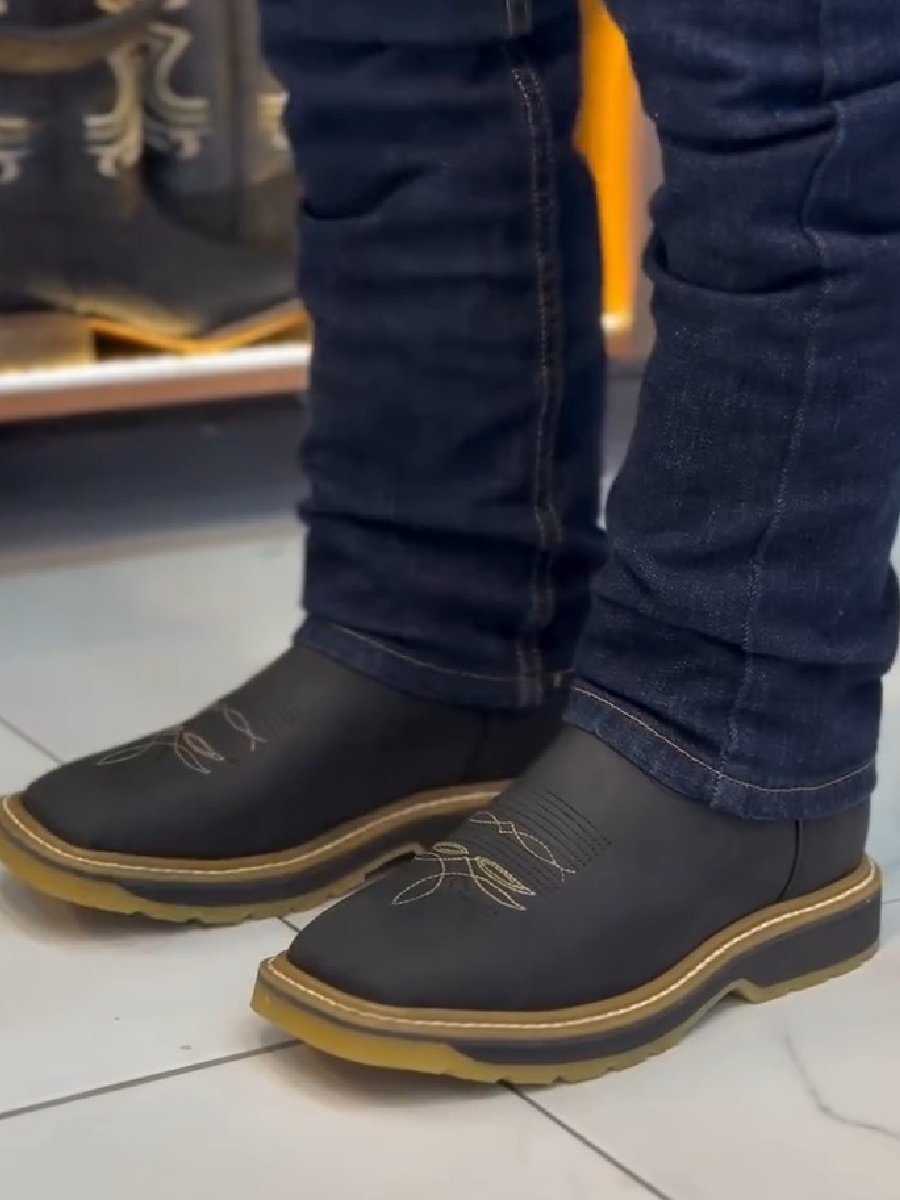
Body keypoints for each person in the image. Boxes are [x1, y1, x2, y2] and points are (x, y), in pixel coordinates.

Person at [0, 0, 893, 1085]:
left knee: (779, 79)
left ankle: (730, 747)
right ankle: (436, 637)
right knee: (390, 56)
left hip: (739, 736)